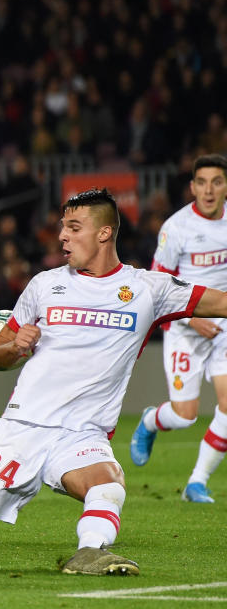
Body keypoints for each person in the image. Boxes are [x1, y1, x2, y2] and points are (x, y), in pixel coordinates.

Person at [0, 188, 227, 576]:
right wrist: (14, 345)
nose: (62, 236)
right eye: (62, 227)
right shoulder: (44, 285)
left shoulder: (149, 289)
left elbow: (220, 302)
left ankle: (89, 552)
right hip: (23, 428)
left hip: (82, 433)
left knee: (109, 483)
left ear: (104, 233)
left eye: (73, 227)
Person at [130, 154, 227, 503]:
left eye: (216, 181)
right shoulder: (176, 228)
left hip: (225, 326)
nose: (209, 190)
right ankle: (151, 420)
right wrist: (191, 318)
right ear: (192, 187)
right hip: (186, 328)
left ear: (225, 186)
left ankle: (196, 482)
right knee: (185, 416)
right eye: (202, 182)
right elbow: (158, 287)